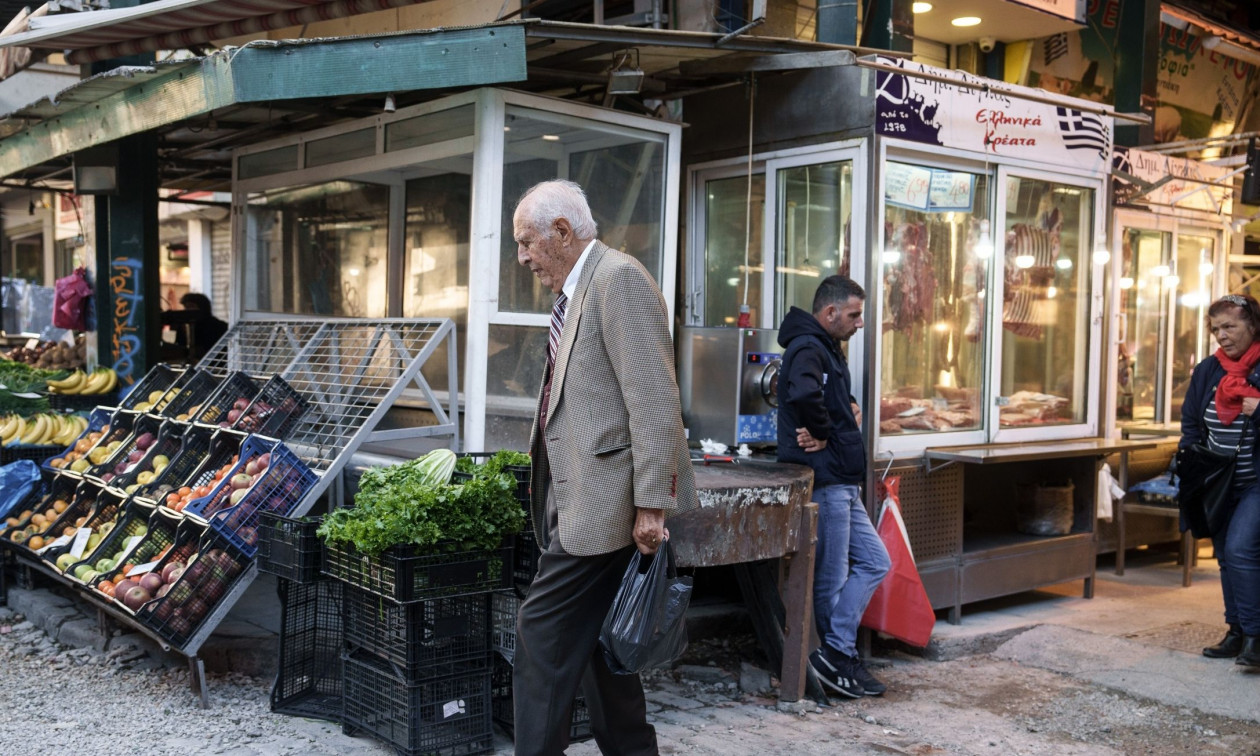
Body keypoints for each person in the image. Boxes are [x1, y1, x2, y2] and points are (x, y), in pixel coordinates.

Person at [511, 179, 698, 755]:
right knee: (599, 648)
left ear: (562, 232)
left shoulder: (618, 279)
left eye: (527, 242)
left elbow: (654, 398)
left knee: (541, 635)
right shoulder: (581, 286)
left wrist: (652, 505)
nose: (522, 257)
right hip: (579, 499)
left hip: (606, 506)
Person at [777, 275, 891, 698]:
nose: (860, 323)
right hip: (826, 480)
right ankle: (838, 657)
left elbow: (826, 395)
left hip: (842, 480)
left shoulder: (825, 347)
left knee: (875, 562)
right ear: (830, 312)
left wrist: (849, 407)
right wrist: (823, 432)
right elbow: (805, 395)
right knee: (831, 578)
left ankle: (836, 653)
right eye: (854, 315)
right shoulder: (809, 347)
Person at [1180, 293, 1260, 667]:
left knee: (1241, 550)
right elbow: (1191, 422)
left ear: (1253, 326)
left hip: (1255, 482)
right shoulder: (1209, 370)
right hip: (1218, 483)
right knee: (1226, 556)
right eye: (1216, 329)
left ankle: (1256, 638)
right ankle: (1237, 632)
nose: (1222, 335)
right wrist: (1192, 464)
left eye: (1230, 326)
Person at [178, 292, 228, 362]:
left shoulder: (218, 326)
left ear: (202, 307)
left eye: (191, 306)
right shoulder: (184, 326)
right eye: (186, 307)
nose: (187, 310)